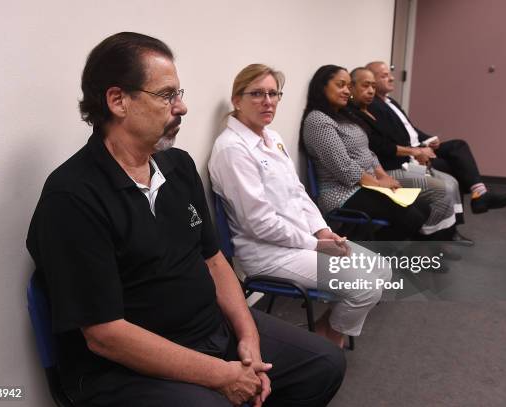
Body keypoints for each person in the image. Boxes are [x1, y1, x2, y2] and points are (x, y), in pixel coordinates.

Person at [26, 33, 345, 407]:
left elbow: (214, 261)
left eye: (179, 93)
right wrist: (222, 374)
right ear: (118, 101)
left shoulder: (177, 167)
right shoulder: (73, 196)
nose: (182, 107)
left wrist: (248, 338)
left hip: (209, 331)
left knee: (324, 364)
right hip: (122, 370)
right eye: (167, 95)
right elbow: (105, 335)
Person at [208, 64, 392, 349]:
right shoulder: (233, 150)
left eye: (273, 93)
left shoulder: (272, 138)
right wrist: (315, 245)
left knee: (381, 269)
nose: (267, 101)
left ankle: (323, 331)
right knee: (365, 285)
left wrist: (322, 231)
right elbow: (259, 224)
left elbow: (298, 193)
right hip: (269, 252)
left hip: (300, 240)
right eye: (256, 94)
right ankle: (328, 339)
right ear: (237, 100)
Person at [300, 65, 457, 243]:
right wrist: (379, 184)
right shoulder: (318, 120)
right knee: (411, 216)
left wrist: (383, 176)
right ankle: (371, 254)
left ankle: (379, 252)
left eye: (348, 86)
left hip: (365, 185)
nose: (346, 91)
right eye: (340, 85)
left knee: (423, 207)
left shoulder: (344, 115)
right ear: (322, 87)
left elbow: (369, 153)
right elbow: (344, 167)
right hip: (342, 193)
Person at [365, 61, 506, 214]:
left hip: (420, 146)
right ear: (372, 81)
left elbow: (410, 129)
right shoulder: (374, 106)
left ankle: (478, 195)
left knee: (458, 146)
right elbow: (388, 142)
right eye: (385, 76)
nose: (391, 78)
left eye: (390, 74)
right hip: (410, 156)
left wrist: (429, 139)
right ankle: (477, 197)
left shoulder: (391, 102)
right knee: (454, 167)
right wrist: (418, 151)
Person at [347, 67, 472, 245]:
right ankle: (428, 242)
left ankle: (444, 236)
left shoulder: (375, 108)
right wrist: (414, 152)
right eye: (366, 86)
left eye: (373, 86)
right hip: (389, 169)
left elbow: (401, 137)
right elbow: (379, 148)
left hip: (401, 165)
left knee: (451, 183)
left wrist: (418, 150)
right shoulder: (356, 114)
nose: (371, 91)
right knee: (442, 189)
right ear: (353, 87)